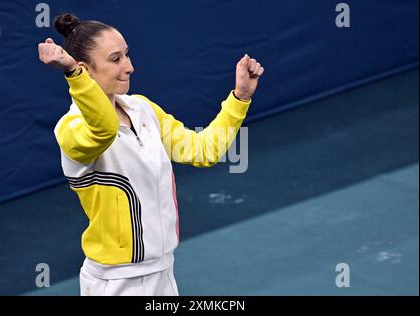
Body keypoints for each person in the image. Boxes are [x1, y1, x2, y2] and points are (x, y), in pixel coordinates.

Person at [37, 13, 264, 296]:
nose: (130, 67)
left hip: (164, 274)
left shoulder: (143, 110)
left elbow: (203, 150)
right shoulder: (71, 129)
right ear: (86, 69)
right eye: (115, 59)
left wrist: (240, 97)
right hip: (115, 284)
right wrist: (72, 73)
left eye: (128, 55)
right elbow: (104, 128)